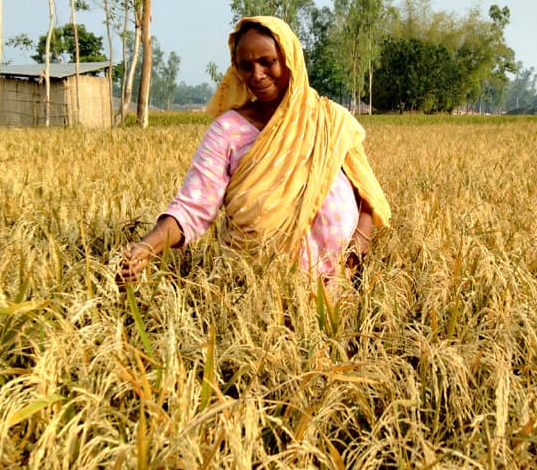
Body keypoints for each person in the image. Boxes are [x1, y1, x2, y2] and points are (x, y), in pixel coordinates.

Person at [118, 16, 391, 292]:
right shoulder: (227, 131)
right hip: (260, 288)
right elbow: (192, 206)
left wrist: (361, 238)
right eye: (246, 66)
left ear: (289, 59)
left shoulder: (330, 120)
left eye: (267, 62)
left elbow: (365, 192)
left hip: (341, 280)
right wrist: (147, 246)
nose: (257, 75)